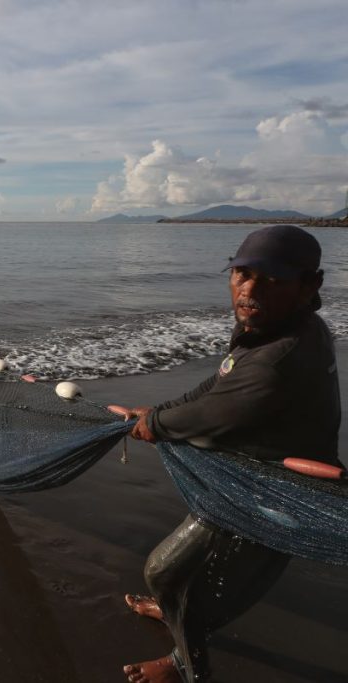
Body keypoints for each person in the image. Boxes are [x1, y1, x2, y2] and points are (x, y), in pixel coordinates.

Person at [110, 225, 339, 683]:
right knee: (169, 578)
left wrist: (153, 424)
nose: (250, 290)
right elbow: (220, 383)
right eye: (242, 274)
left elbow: (217, 412)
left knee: (170, 576)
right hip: (245, 476)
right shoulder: (271, 326)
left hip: (279, 495)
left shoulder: (280, 358)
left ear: (309, 285)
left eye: (272, 280)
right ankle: (174, 610)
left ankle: (187, 668)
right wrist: (160, 410)